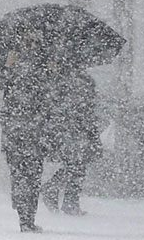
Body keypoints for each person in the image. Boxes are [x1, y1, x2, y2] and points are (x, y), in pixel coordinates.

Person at [0, 29, 48, 232]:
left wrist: (52, 71)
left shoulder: (43, 64)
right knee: (20, 173)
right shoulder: (9, 61)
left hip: (35, 129)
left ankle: (28, 216)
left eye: (34, 39)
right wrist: (7, 66)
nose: (30, 43)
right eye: (27, 39)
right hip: (14, 129)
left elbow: (53, 93)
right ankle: (24, 215)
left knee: (33, 174)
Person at [39, 68, 100, 216]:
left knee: (76, 164)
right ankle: (66, 198)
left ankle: (62, 195)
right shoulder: (75, 81)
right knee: (76, 164)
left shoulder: (71, 80)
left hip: (72, 128)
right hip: (71, 129)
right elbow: (85, 109)